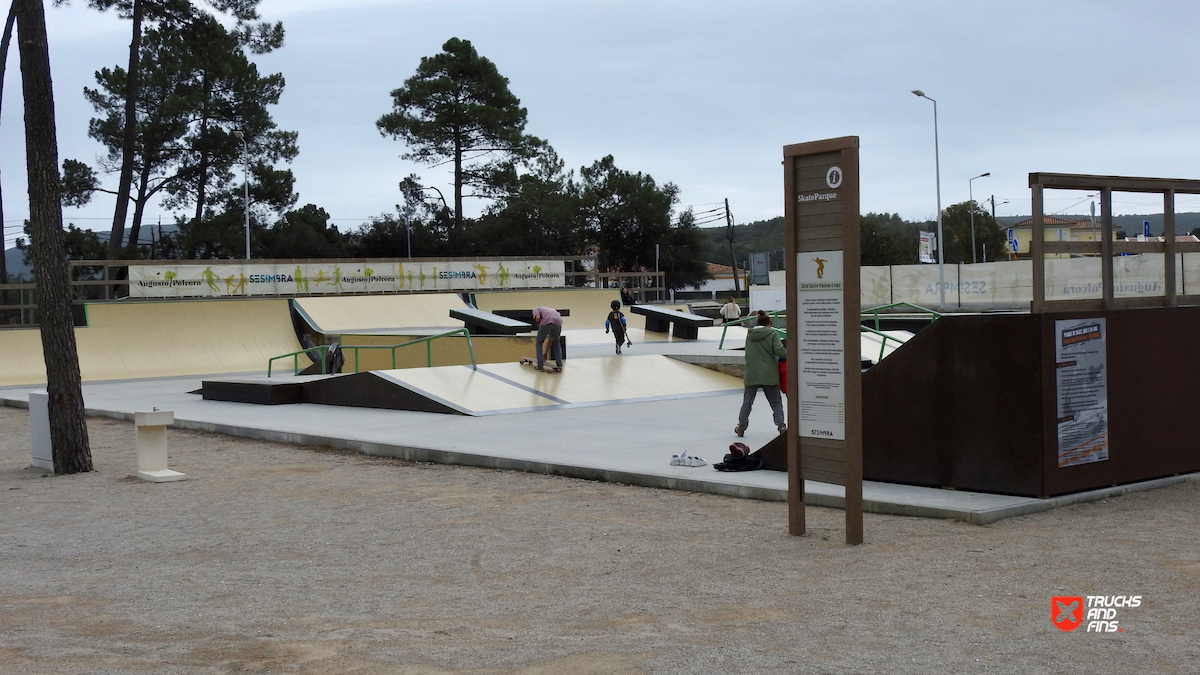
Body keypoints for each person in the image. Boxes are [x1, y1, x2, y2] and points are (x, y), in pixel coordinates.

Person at [735, 310, 786, 437]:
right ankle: (781, 426)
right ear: (769, 323)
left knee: (747, 402)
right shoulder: (772, 333)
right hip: (769, 372)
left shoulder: (750, 334)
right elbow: (779, 351)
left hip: (752, 372)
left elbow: (748, 353)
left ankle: (741, 427)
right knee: (775, 402)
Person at [531, 307, 564, 371]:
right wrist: (546, 352)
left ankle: (540, 365)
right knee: (556, 343)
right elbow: (550, 339)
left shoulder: (535, 309)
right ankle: (559, 365)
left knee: (539, 343)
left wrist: (539, 326)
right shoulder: (552, 311)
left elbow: (537, 318)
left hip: (547, 321)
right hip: (558, 322)